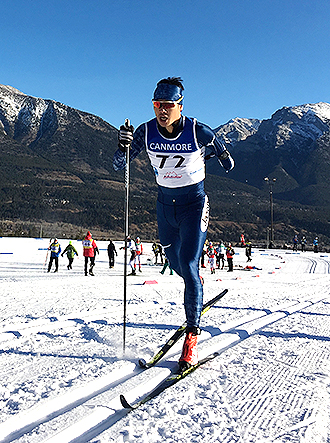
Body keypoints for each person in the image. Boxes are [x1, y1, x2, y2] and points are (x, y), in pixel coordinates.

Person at [113, 76, 234, 371]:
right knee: (178, 266)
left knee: (189, 265)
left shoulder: (197, 130)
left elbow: (224, 157)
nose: (161, 110)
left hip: (193, 205)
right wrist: (122, 146)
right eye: (157, 104)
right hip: (164, 207)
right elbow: (118, 165)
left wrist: (222, 155)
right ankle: (196, 288)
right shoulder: (145, 131)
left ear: (180, 105)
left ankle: (192, 337)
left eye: (167, 105)